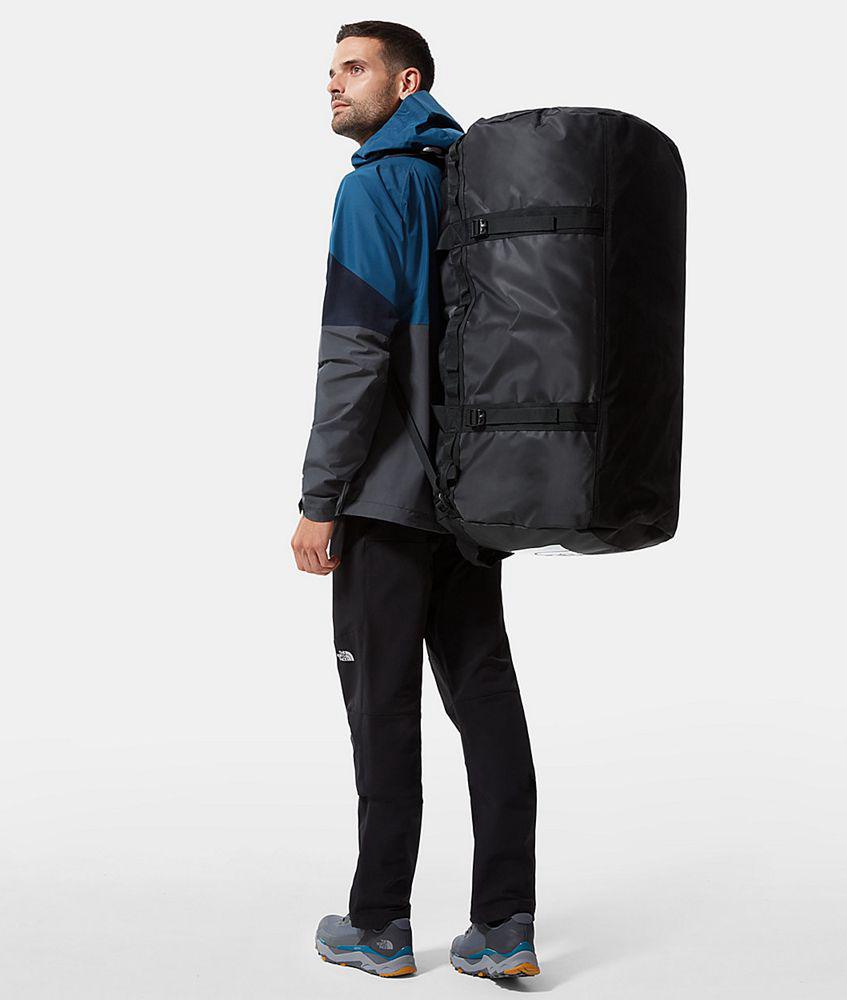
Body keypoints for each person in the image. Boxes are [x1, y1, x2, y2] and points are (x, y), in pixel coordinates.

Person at [290, 21, 540, 980]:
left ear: (407, 82)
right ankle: (506, 925)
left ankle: (379, 926)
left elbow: (355, 355)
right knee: (487, 702)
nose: (334, 84)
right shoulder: (477, 183)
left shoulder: (375, 187)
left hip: (389, 502)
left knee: (383, 708)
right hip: (473, 500)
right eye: (331, 70)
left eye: (354, 69)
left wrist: (322, 498)